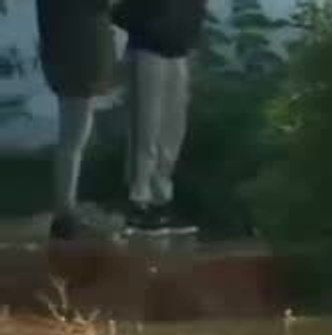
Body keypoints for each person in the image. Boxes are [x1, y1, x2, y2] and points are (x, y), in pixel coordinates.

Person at [111, 0, 208, 233]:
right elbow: (120, 12)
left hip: (178, 51)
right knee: (146, 128)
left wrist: (190, 39)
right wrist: (150, 24)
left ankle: (160, 201)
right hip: (147, 49)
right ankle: (138, 201)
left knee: (173, 130)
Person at [35, 0, 118, 242]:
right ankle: (65, 216)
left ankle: (66, 213)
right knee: (73, 140)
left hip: (64, 57)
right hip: (78, 59)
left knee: (71, 139)